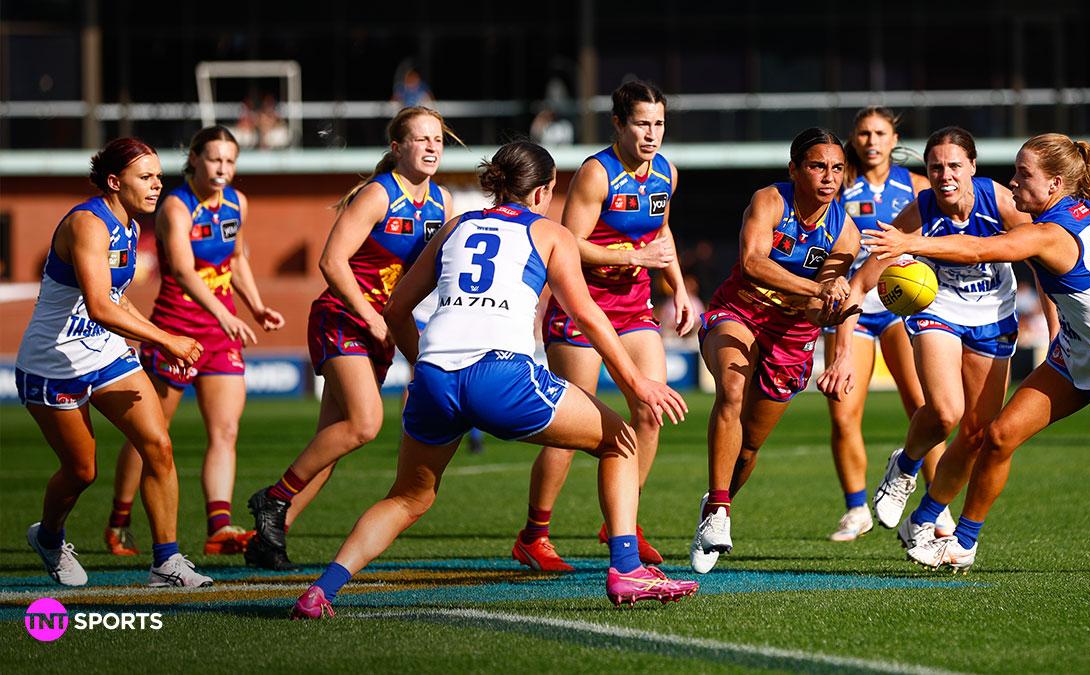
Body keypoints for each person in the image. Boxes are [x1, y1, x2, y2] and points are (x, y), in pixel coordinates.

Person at [291, 141, 698, 618]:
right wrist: (637, 383)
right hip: (500, 375)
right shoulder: (549, 233)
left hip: (435, 378)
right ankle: (626, 568)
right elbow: (586, 314)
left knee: (407, 498)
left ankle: (321, 591)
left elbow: (396, 308)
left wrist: (423, 364)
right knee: (622, 441)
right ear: (544, 191)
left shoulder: (455, 226)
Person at [864, 133, 1090, 572]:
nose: (1014, 181)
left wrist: (911, 243)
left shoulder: (1048, 234)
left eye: (1024, 174)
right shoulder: (1083, 210)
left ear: (1055, 184)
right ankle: (962, 543)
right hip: (1073, 356)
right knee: (999, 435)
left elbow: (980, 248)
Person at [245, 107, 455, 570]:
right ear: (397, 147)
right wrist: (371, 315)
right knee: (365, 424)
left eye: (437, 139)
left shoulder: (442, 202)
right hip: (342, 318)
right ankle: (273, 498)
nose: (431, 146)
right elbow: (331, 261)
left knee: (333, 439)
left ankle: (268, 538)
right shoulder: (379, 194)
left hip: (381, 327)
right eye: (421, 139)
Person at [511, 80, 695, 572]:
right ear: (618, 124)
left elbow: (662, 232)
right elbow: (568, 243)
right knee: (571, 426)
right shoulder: (597, 173)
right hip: (581, 307)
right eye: (642, 123)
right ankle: (534, 535)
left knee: (651, 409)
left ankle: (622, 521)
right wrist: (634, 257)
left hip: (633, 308)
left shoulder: (667, 172)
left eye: (659, 124)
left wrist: (678, 288)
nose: (652, 134)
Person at [15, 138, 212, 587]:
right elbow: (100, 306)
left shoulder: (131, 225)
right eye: (145, 177)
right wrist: (167, 338)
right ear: (114, 181)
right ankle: (48, 537)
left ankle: (166, 562)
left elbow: (117, 299)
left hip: (104, 352)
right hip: (54, 364)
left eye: (158, 176)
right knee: (82, 471)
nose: (157, 185)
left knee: (158, 445)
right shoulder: (88, 223)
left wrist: (157, 340)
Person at [838, 127, 1034, 552]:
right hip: (939, 308)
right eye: (936, 167)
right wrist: (842, 341)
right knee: (946, 412)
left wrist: (1056, 331)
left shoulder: (1000, 200)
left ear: (973, 167)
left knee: (977, 435)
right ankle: (905, 467)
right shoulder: (920, 209)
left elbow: (1042, 257)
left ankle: (924, 518)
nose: (945, 175)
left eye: (954, 166)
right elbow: (865, 278)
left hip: (993, 314)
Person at [103, 126, 285, 558]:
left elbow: (236, 259)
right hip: (176, 329)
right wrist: (225, 314)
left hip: (222, 333)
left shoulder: (237, 202)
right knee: (151, 433)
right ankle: (119, 521)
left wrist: (256, 306)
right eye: (215, 159)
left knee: (226, 430)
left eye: (230, 161)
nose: (223, 168)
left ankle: (219, 527)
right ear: (194, 159)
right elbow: (184, 271)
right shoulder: (176, 206)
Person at [688, 128, 861, 574]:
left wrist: (832, 306)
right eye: (817, 166)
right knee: (731, 390)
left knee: (748, 447)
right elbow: (752, 263)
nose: (829, 177)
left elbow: (822, 306)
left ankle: (715, 504)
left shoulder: (846, 233)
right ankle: (718, 511)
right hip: (739, 312)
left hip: (792, 335)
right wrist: (817, 288)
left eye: (837, 168)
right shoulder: (769, 200)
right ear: (794, 169)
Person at [823, 107, 950, 542]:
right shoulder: (838, 184)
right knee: (843, 412)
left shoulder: (917, 186)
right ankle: (856, 509)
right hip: (851, 307)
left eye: (880, 133)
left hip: (902, 306)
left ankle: (938, 507)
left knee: (925, 408)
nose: (872, 141)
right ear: (854, 138)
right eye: (864, 133)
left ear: (894, 138)